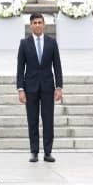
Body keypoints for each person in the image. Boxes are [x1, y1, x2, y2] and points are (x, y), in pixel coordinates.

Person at [17, 13, 63, 163]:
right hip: (30, 88)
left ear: (44, 25)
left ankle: (48, 151)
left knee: (48, 120)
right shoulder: (24, 44)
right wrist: (20, 89)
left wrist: (59, 87)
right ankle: (34, 151)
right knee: (32, 120)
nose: (37, 25)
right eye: (34, 23)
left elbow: (57, 66)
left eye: (40, 22)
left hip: (48, 87)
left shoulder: (52, 42)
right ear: (30, 25)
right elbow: (20, 68)